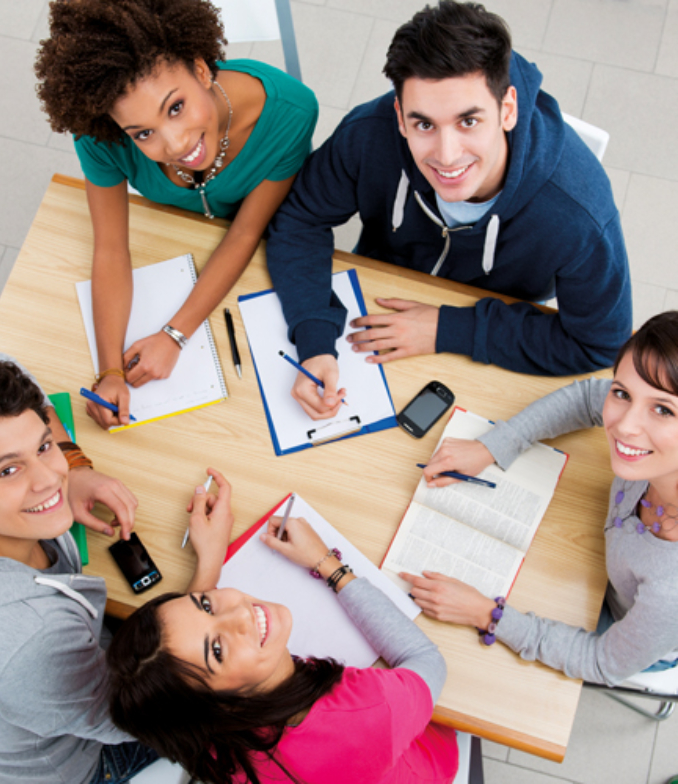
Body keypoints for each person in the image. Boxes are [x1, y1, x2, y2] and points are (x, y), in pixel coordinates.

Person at [266, 0, 632, 421]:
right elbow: (299, 218)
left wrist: (450, 328)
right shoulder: (368, 134)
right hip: (378, 311)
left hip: (494, 335)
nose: (446, 155)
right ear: (400, 117)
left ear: (507, 109)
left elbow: (600, 343)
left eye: (468, 122)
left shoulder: (578, 212)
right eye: (424, 125)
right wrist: (313, 339)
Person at [35, 0, 318, 429]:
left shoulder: (288, 112)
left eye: (176, 107)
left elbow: (244, 235)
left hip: (265, 242)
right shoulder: (100, 136)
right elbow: (111, 249)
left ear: (202, 70)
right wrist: (110, 371)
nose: (176, 144)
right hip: (177, 235)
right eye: (143, 134)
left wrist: (174, 335)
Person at [401, 311, 678, 686]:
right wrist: (494, 445)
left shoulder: (669, 593)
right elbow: (585, 398)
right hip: (600, 565)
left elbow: (602, 663)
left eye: (663, 409)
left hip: (627, 626)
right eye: (622, 393)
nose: (625, 425)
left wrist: (487, 615)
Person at [106, 510, 459, 783]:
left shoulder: (193, 731)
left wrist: (209, 563)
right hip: (426, 757)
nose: (240, 615)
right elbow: (425, 660)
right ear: (221, 706)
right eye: (217, 651)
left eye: (206, 604)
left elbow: (178, 656)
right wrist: (328, 565)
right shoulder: (364, 712)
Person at [0, 354, 159, 784]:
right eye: (9, 470)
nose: (50, 480)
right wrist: (206, 578)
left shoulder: (0, 515)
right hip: (89, 762)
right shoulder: (29, 640)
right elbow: (135, 717)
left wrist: (77, 465)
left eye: (43, 446)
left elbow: (15, 367)